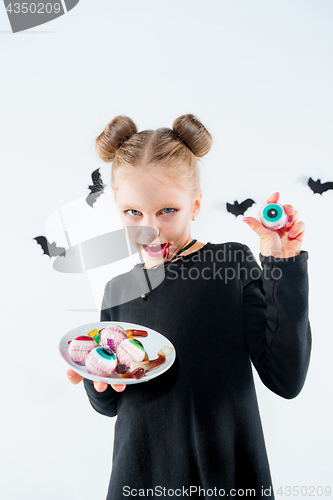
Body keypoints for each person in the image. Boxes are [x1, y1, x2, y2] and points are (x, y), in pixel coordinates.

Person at [66, 114, 311, 500]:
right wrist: (96, 381)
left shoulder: (229, 264)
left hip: (224, 477)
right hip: (139, 480)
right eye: (134, 213)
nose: (150, 228)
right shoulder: (118, 289)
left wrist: (283, 265)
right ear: (118, 208)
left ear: (194, 205)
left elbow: (286, 378)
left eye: (167, 211)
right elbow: (110, 405)